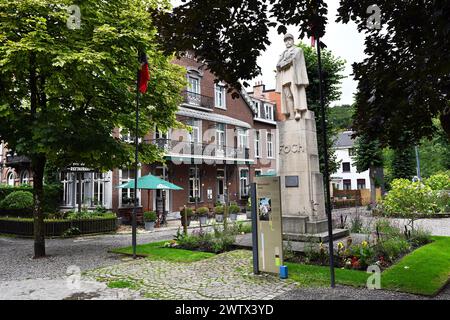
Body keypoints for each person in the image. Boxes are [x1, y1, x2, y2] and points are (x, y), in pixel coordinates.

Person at [275, 33, 309, 121]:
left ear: (293, 40)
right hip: (284, 77)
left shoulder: (298, 50)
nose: (287, 42)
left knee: (295, 93)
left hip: (293, 76)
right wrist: (283, 63)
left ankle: (297, 111)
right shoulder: (283, 53)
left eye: (289, 40)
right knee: (288, 96)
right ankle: (291, 114)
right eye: (285, 41)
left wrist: (284, 63)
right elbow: (278, 65)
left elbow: (292, 60)